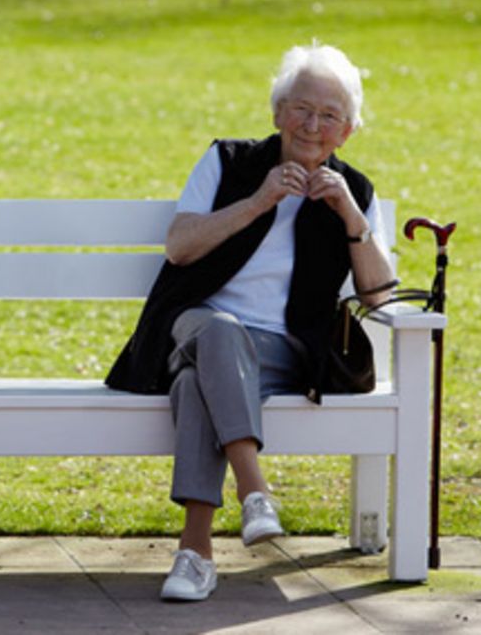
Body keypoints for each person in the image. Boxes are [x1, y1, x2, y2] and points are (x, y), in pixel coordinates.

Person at [104, 43, 396, 602]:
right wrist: (259, 201)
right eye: (301, 109)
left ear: (348, 131)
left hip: (284, 352)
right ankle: (254, 489)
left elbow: (379, 298)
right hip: (193, 327)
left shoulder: (354, 191)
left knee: (197, 384)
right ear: (277, 112)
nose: (312, 126)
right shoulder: (228, 162)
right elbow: (180, 248)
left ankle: (195, 556)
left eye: (329, 116)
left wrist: (353, 220)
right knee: (217, 331)